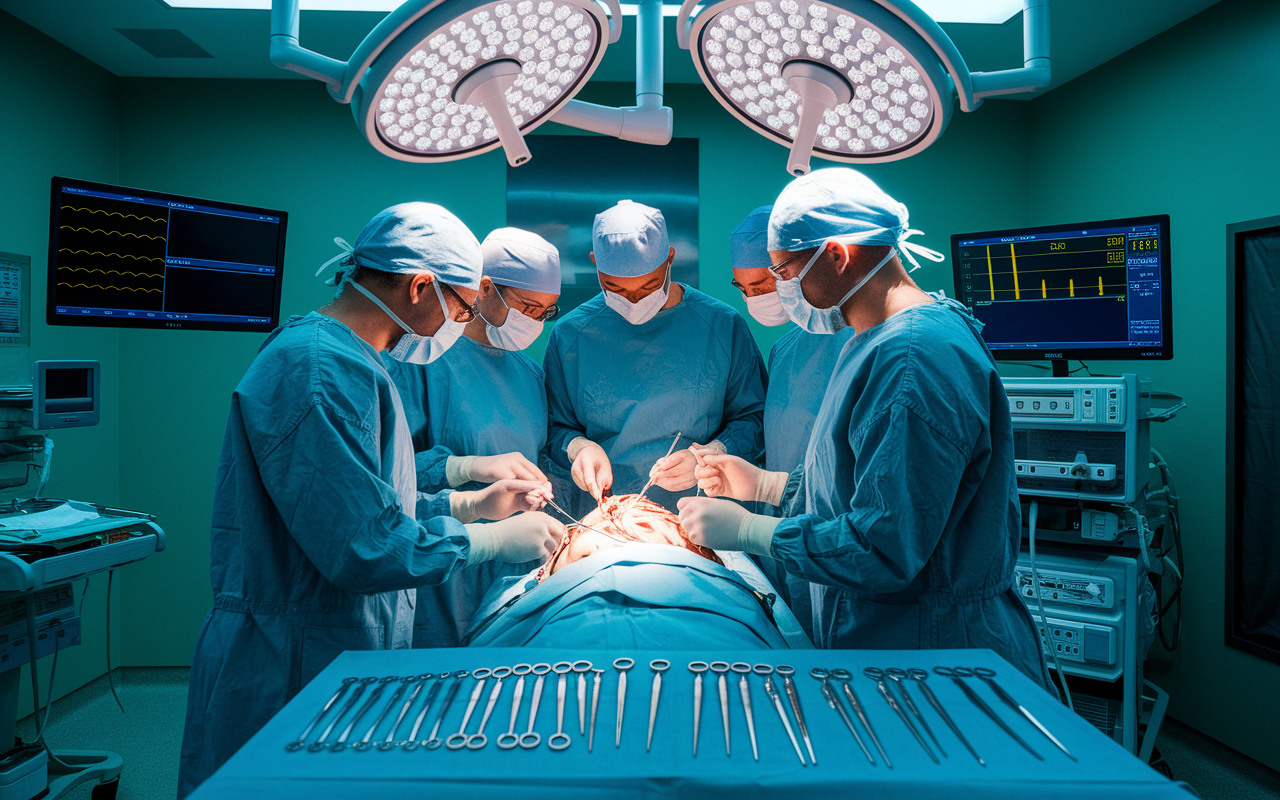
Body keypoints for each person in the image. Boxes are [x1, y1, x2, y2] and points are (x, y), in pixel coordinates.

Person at [178, 203, 566, 798]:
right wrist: (488, 539)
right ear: (419, 287)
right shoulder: (315, 372)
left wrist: (471, 505)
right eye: (462, 310)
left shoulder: (356, 364)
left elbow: (375, 504)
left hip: (339, 641)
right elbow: (363, 545)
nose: (460, 327)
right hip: (293, 656)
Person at [678, 170, 1052, 690]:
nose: (784, 287)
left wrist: (750, 531)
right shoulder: (876, 340)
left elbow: (886, 543)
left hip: (934, 655)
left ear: (836, 255)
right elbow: (864, 487)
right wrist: (766, 486)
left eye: (784, 270)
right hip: (898, 639)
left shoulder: (914, 359)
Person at [385, 227, 565, 647]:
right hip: (445, 566)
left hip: (518, 569)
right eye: (527, 307)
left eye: (546, 312)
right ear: (484, 288)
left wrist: (575, 449)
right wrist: (466, 469)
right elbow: (391, 477)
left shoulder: (529, 373)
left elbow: (541, 450)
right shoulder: (421, 361)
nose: (535, 321)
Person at [543, 199, 768, 517]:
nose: (634, 301)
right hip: (606, 518)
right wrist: (579, 447)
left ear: (670, 259)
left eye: (648, 287)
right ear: (595, 263)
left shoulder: (721, 326)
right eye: (616, 289)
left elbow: (755, 418)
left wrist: (711, 455)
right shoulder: (571, 335)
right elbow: (553, 427)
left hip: (706, 517)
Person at [729, 205, 854, 637]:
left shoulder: (874, 346)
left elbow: (879, 501)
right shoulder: (785, 349)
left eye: (766, 281)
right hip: (789, 550)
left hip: (843, 552)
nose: (756, 299)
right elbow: (777, 440)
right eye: (743, 288)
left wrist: (770, 491)